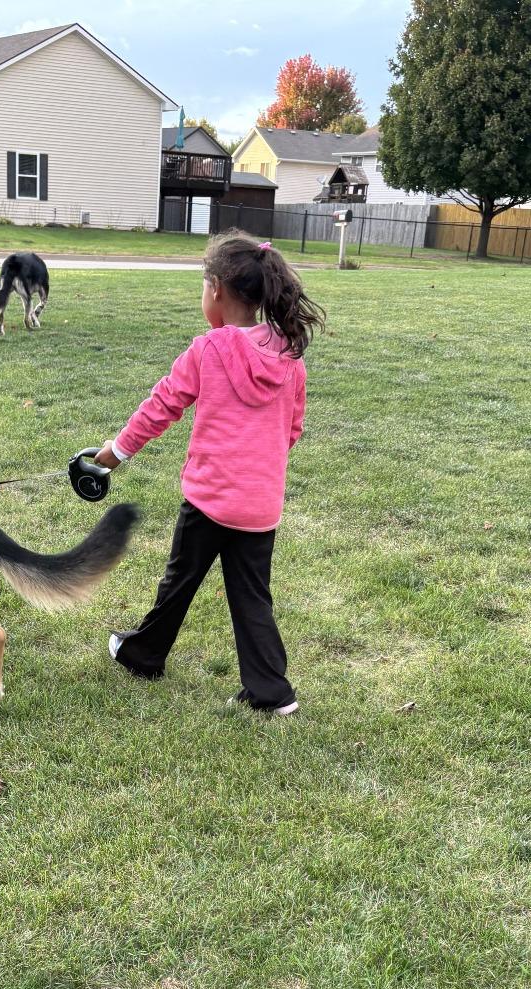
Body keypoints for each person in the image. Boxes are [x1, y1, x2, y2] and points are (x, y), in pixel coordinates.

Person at [94, 232, 325, 715]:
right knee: (252, 597)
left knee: (179, 582)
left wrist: (114, 453)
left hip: (209, 500)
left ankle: (144, 654)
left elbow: (162, 407)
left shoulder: (209, 350)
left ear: (217, 290)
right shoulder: (289, 358)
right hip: (261, 506)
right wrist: (260, 466)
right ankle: (271, 692)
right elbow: (293, 429)